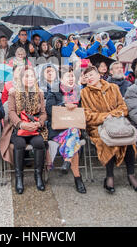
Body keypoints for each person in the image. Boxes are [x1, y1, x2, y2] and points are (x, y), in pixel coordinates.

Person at [80, 66, 137, 194]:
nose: (89, 78)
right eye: (86, 77)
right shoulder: (85, 93)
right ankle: (109, 176)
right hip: (97, 126)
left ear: (99, 75)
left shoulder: (113, 88)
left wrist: (112, 115)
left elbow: (123, 107)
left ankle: (131, 175)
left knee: (129, 140)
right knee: (106, 141)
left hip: (118, 122)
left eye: (91, 75)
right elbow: (87, 115)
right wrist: (105, 117)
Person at [0, 66, 49, 194]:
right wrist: (21, 124)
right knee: (20, 143)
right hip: (18, 127)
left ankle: (38, 176)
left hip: (34, 127)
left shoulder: (39, 93)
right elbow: (11, 112)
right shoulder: (13, 93)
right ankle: (19, 177)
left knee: (39, 143)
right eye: (27, 76)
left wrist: (39, 123)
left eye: (32, 76)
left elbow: (43, 113)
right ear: (21, 78)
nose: (30, 79)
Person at [46, 66, 86, 194]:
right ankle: (77, 178)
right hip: (58, 129)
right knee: (73, 138)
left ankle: (67, 162)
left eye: (72, 76)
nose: (71, 78)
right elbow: (48, 110)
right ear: (61, 79)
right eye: (67, 76)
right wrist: (63, 105)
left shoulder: (78, 91)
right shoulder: (54, 91)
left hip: (75, 127)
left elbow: (83, 111)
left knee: (73, 131)